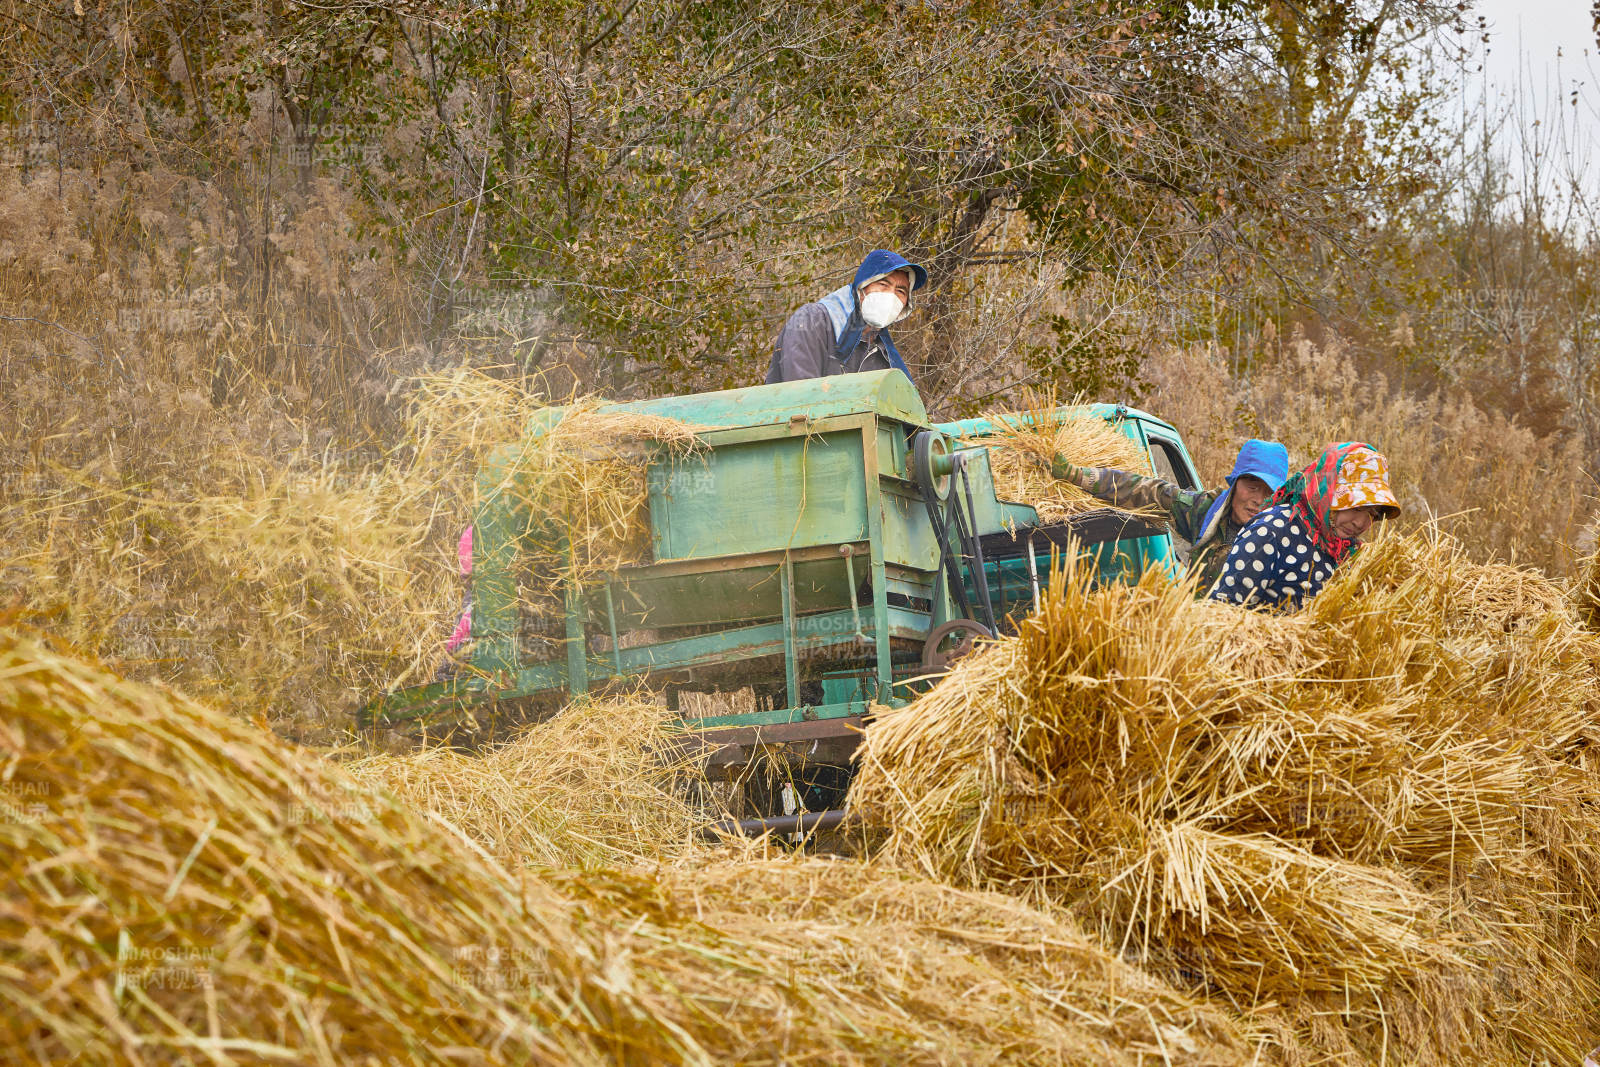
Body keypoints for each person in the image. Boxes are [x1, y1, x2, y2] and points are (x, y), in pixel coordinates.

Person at [1049, 438, 1290, 595]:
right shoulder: (1205, 512)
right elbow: (1149, 492)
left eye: (1269, 492)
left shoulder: (1284, 537)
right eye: (1252, 486)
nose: (1258, 500)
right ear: (1235, 483)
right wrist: (1080, 477)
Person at [1210, 441, 1400, 611]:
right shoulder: (1271, 532)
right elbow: (1225, 613)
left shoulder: (1348, 551)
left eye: (1373, 513)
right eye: (1355, 507)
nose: (1360, 523)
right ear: (1326, 491)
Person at [765, 249, 929, 385]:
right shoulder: (812, 321)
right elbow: (800, 396)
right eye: (883, 284)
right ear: (862, 287)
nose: (890, 296)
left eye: (900, 291)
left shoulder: (882, 352)